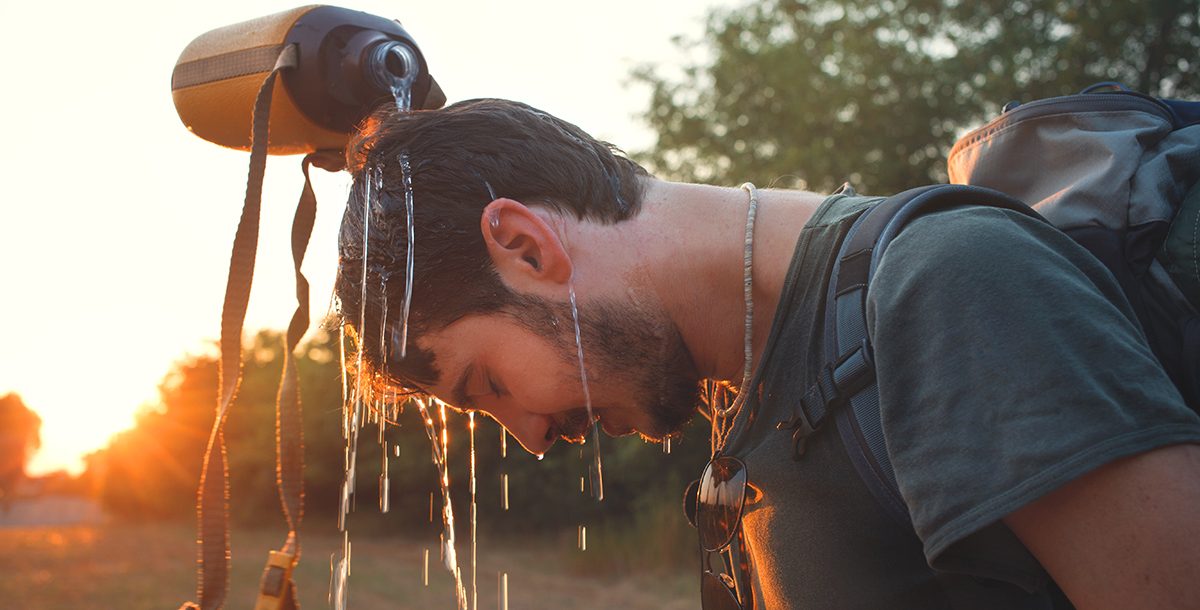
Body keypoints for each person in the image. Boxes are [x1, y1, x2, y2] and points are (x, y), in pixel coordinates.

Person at [334, 98, 1200, 609]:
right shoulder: (749, 392)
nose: (528, 436)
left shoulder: (947, 283)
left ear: (524, 245)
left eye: (487, 385)